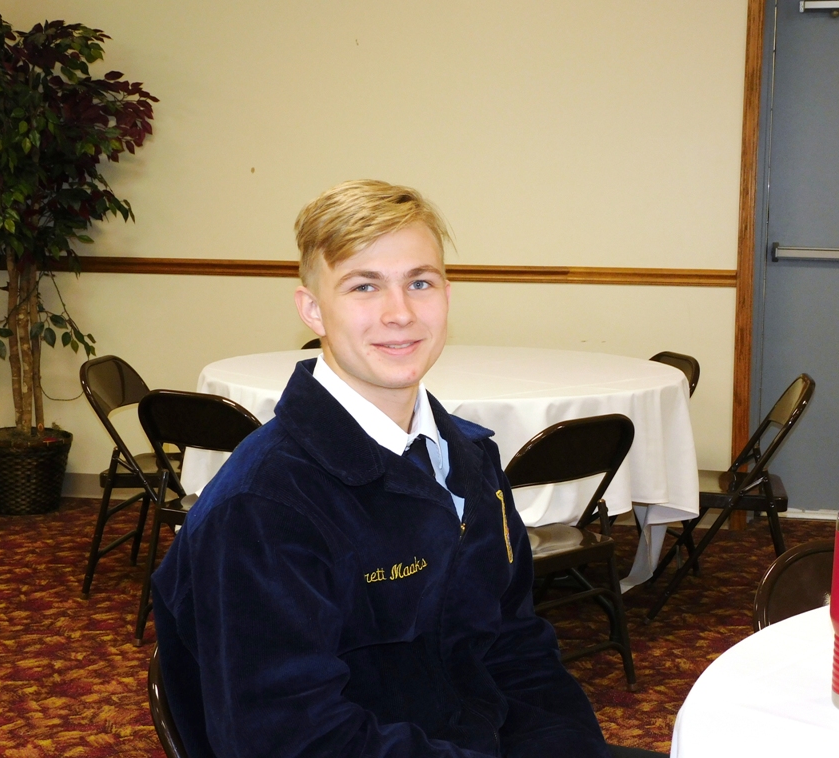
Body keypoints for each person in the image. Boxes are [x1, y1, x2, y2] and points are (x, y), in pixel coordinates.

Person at [151, 180, 659, 758]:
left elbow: (517, 645)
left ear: (447, 295)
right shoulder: (263, 505)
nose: (400, 314)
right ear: (313, 310)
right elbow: (288, 738)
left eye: (420, 282)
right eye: (364, 286)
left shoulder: (469, 458)